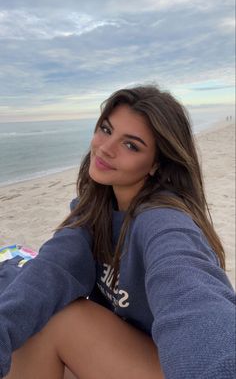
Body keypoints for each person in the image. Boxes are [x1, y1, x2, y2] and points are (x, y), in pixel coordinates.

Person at [0, 85, 235, 379]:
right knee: (34, 312)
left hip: (175, 363)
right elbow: (51, 268)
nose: (105, 148)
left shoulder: (164, 223)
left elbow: (193, 300)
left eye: (131, 145)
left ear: (156, 164)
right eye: (106, 129)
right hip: (132, 353)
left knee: (62, 318)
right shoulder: (96, 210)